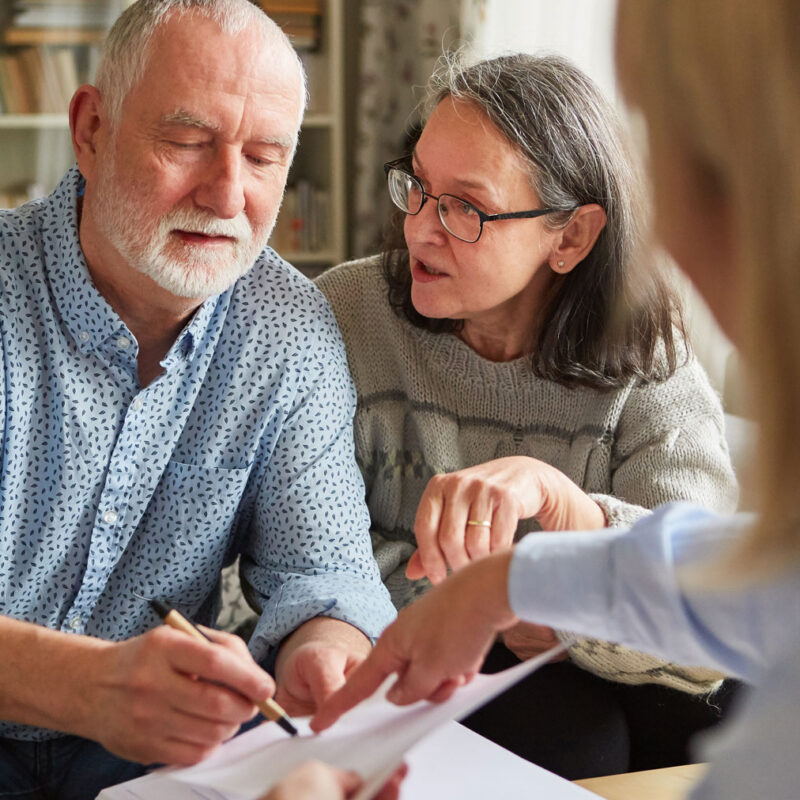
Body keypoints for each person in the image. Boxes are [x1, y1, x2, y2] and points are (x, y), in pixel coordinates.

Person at [312, 1, 800, 797]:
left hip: (589, 676)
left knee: (617, 723)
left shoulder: (649, 347)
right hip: (415, 656)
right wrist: (502, 596)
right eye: (418, 189)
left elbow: (708, 623)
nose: (420, 231)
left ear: (571, 238)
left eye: (465, 208)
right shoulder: (342, 316)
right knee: (573, 730)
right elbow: (310, 557)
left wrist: (569, 530)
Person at [0, 0, 395, 796]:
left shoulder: (288, 330)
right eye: (187, 143)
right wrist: (84, 685)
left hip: (149, 755)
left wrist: (326, 650)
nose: (226, 196)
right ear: (91, 130)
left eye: (264, 158)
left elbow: (328, 574)